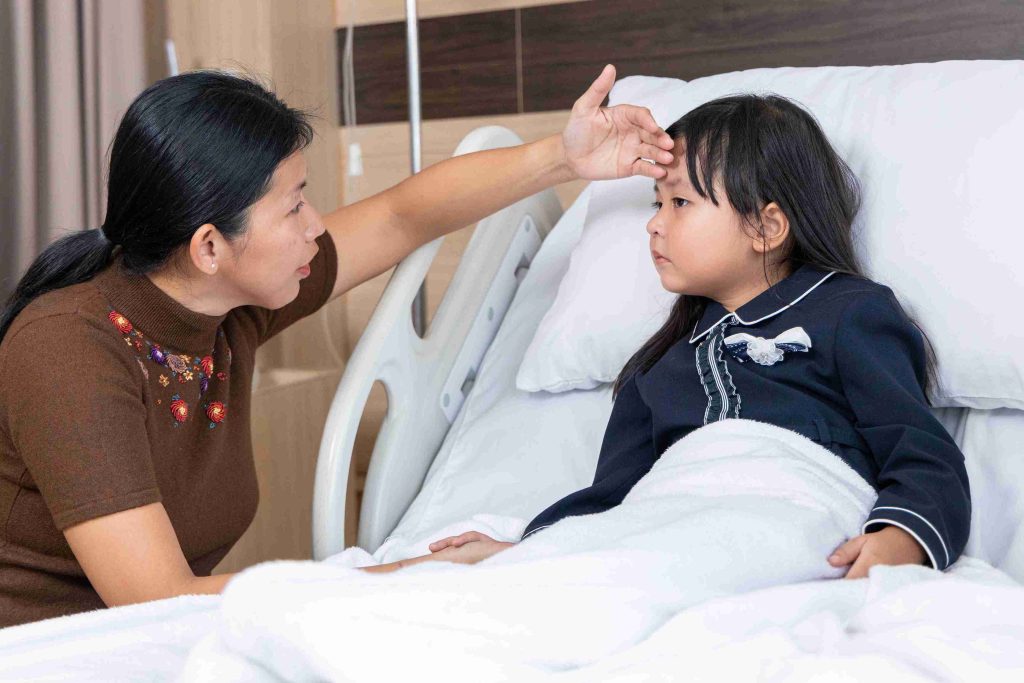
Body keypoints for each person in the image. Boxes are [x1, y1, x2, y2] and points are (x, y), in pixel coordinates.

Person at [0, 65, 674, 627]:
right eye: (293, 206)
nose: (315, 224)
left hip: (144, 643)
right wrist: (413, 572)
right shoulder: (68, 350)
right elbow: (154, 597)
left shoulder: (225, 308)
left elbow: (401, 215)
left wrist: (563, 156)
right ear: (209, 246)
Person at [385, 94, 971, 578]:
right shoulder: (656, 367)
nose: (654, 222)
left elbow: (922, 454)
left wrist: (901, 538)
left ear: (765, 226)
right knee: (508, 577)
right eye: (655, 202)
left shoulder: (849, 313)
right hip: (667, 518)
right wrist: (530, 549)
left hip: (792, 510)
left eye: (680, 202)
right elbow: (612, 499)